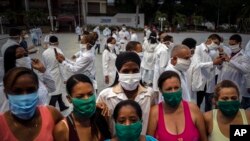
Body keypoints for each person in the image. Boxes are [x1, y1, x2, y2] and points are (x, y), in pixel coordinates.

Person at [97, 52, 158, 135]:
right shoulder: (106, 96)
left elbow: (152, 119)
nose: (131, 75)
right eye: (125, 71)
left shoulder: (149, 94)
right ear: (118, 72)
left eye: (135, 70)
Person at [0, 67, 64, 140]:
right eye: (17, 91)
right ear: (6, 93)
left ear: (37, 90)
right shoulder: (1, 126)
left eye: (31, 90)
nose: (25, 96)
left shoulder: (52, 114)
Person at [147, 71, 207, 141]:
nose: (173, 91)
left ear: (181, 88)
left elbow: (204, 139)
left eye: (176, 88)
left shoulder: (193, 109)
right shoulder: (154, 113)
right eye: (169, 89)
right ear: (161, 91)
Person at [54, 74, 111, 141]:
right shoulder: (63, 129)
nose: (87, 99)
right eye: (80, 96)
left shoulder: (101, 114)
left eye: (90, 94)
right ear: (69, 99)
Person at [191, 34, 224, 112]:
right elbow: (196, 65)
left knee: (208, 104)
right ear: (209, 40)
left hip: (208, 81)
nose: (216, 45)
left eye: (218, 44)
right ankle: (196, 119)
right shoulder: (198, 49)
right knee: (196, 103)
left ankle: (207, 119)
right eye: (215, 42)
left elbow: (217, 67)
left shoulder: (213, 51)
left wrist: (219, 61)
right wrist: (213, 63)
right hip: (199, 81)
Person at [218, 34, 250, 103]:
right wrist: (219, 62)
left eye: (233, 44)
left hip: (235, 85)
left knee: (232, 105)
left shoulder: (244, 56)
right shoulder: (228, 53)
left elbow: (246, 70)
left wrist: (230, 61)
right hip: (222, 84)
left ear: (239, 43)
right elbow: (221, 68)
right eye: (230, 44)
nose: (231, 46)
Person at [42, 36, 69, 112]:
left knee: (58, 90)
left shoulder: (45, 52)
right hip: (56, 74)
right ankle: (50, 109)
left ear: (49, 42)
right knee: (55, 92)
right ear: (57, 42)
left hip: (48, 73)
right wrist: (65, 78)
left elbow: (44, 65)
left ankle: (62, 105)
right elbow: (62, 66)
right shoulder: (58, 51)